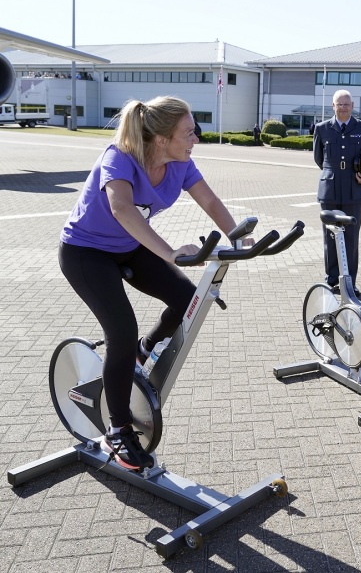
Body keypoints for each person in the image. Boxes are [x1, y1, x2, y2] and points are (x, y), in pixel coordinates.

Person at [58, 96, 252, 472]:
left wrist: (237, 237)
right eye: (189, 132)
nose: (195, 138)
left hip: (129, 247)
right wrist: (169, 253)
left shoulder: (180, 164)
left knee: (187, 301)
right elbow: (122, 210)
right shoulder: (119, 157)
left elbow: (208, 199)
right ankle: (118, 429)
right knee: (120, 328)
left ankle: (143, 349)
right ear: (161, 139)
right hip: (85, 252)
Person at [313, 89, 361, 295]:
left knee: (351, 237)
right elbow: (319, 158)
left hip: (354, 189)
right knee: (330, 237)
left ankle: (349, 282)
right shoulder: (322, 128)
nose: (343, 107)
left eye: (346, 104)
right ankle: (333, 280)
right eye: (339, 104)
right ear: (333, 106)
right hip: (329, 190)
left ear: (352, 106)